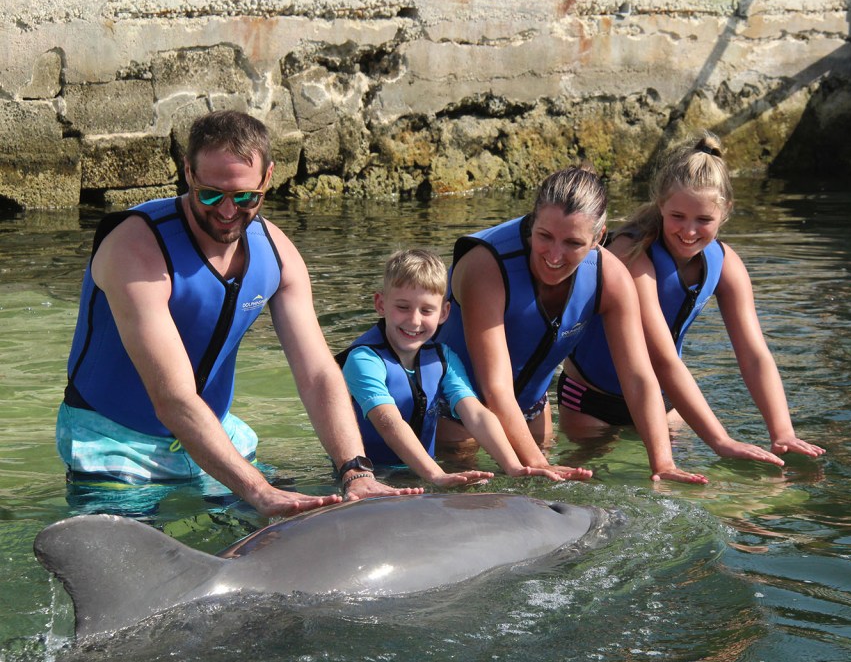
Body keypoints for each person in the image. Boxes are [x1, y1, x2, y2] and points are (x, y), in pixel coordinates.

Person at [58, 110, 422, 517]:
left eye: (245, 197)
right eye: (211, 194)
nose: (228, 211)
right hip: (119, 445)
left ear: (268, 178)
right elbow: (173, 398)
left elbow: (318, 374)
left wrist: (356, 472)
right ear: (188, 175)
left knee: (306, 523)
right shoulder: (137, 249)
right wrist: (258, 490)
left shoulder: (276, 254)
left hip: (213, 433)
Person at [559, 132, 825, 465]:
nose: (689, 231)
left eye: (703, 220)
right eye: (678, 217)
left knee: (682, 488)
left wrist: (782, 432)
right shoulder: (631, 254)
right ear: (661, 205)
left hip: (664, 400)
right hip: (591, 401)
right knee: (588, 488)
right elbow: (662, 359)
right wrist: (721, 441)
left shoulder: (726, 264)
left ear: (725, 211)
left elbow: (755, 355)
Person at [436, 165, 707, 485]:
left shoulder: (611, 276)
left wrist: (663, 463)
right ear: (532, 222)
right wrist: (538, 464)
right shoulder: (488, 265)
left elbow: (638, 376)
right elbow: (495, 386)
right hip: (455, 419)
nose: (554, 255)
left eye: (573, 243)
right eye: (545, 236)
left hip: (531, 413)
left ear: (598, 237)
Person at [336, 248, 563, 486]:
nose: (414, 320)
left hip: (424, 474)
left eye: (426, 310)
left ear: (444, 312)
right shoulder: (363, 360)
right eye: (402, 307)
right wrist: (436, 475)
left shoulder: (442, 358)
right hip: (369, 479)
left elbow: (475, 414)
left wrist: (514, 466)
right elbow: (388, 422)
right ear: (380, 304)